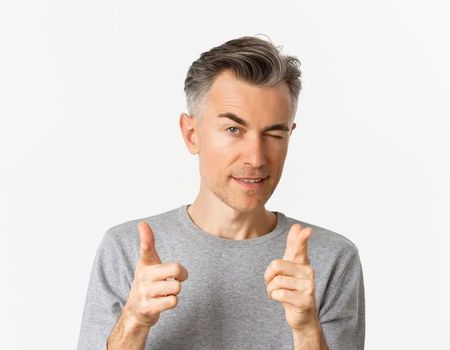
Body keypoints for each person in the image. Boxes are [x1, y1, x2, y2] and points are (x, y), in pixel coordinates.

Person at [76, 36, 365, 350]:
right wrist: (133, 324)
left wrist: (307, 329)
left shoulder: (332, 258)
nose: (256, 158)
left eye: (274, 133)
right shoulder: (125, 249)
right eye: (233, 130)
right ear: (191, 134)